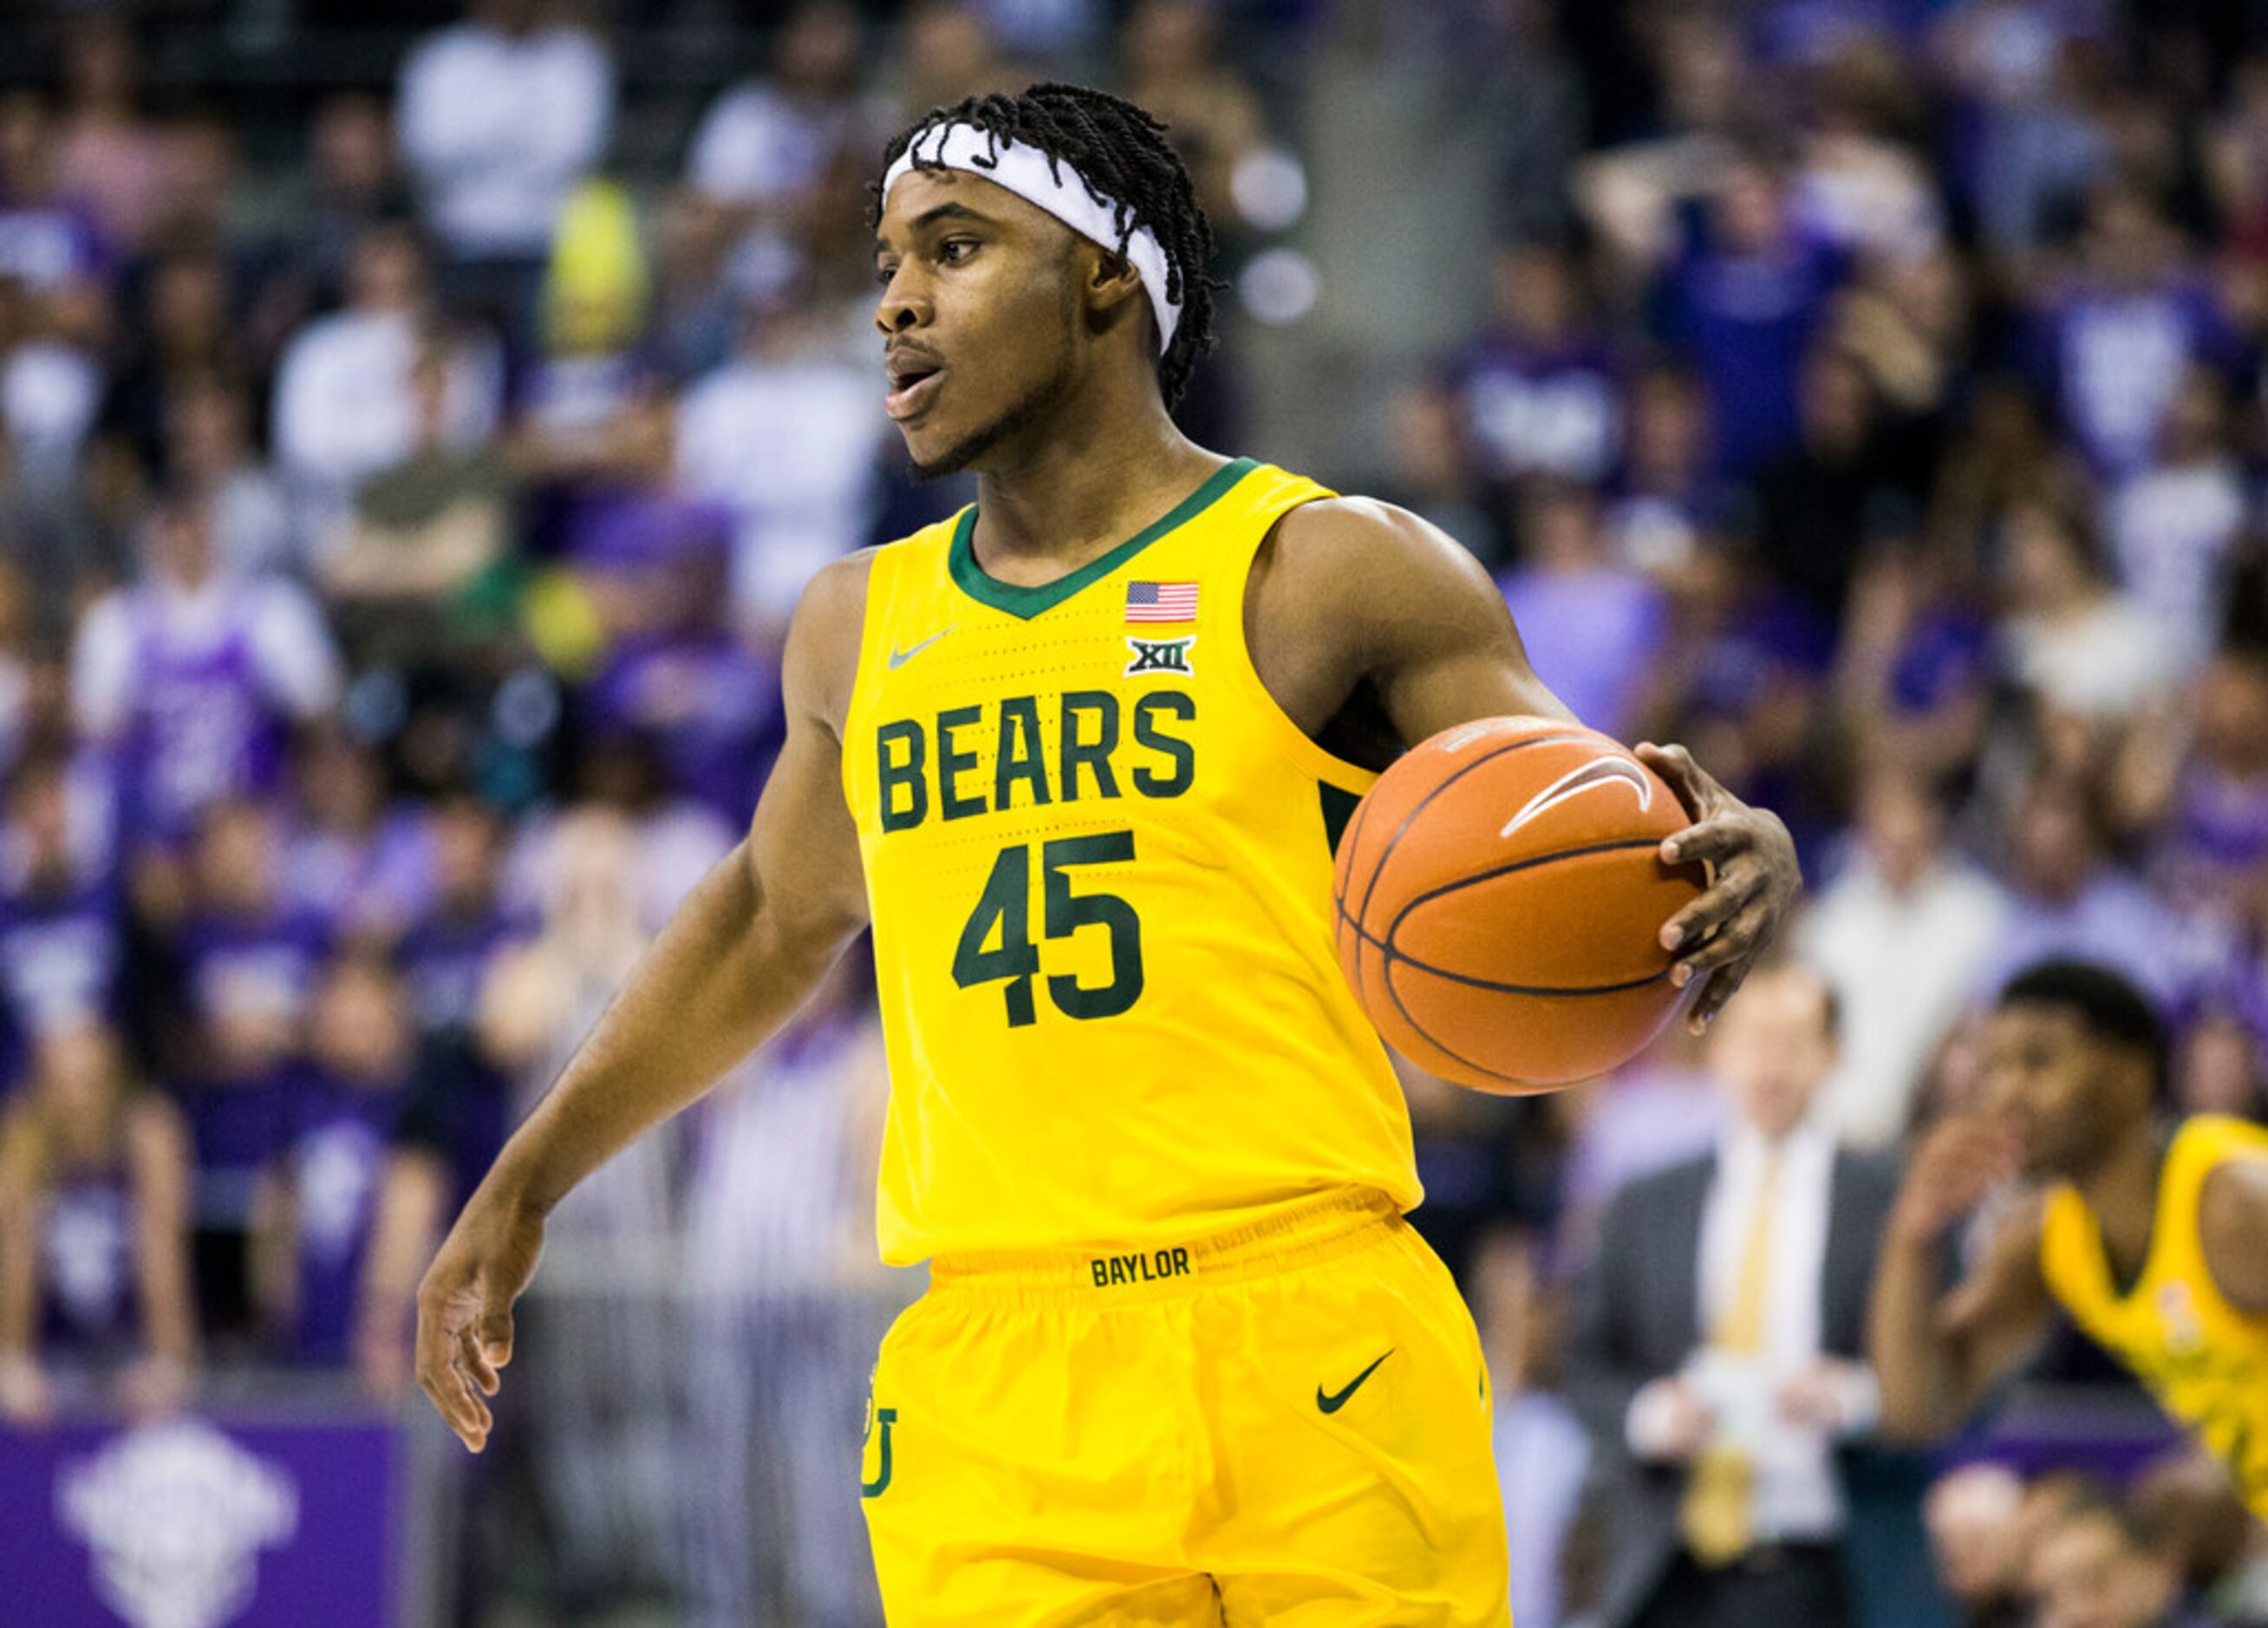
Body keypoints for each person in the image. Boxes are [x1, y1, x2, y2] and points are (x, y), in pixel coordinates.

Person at [414, 82, 1801, 1622]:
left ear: (1100, 278)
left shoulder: (1329, 567)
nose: (895, 304)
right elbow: (764, 923)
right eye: (883, 265)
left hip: (1307, 1322)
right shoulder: (855, 625)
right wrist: (527, 1179)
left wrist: (1738, 850)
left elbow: (1586, 823)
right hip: (997, 1366)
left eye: (952, 250)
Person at [1872, 959, 2268, 1521]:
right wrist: (1911, 1234)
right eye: (1992, 1068)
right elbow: (1916, 1412)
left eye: (2038, 1061)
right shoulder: (2047, 1237)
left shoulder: (2233, 1206)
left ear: (2133, 1073)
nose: (2007, 1092)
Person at [1566, 965, 1897, 1628]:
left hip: (1821, 1552)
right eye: (1753, 1039)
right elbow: (1581, 1364)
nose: (1771, 1064)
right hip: (1664, 1560)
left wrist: (1861, 1397)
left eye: (1794, 1041)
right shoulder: (1645, 1201)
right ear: (1715, 1050)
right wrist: (1647, 1414)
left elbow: (1950, 1366)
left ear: (1833, 1055)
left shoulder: (1887, 1200)